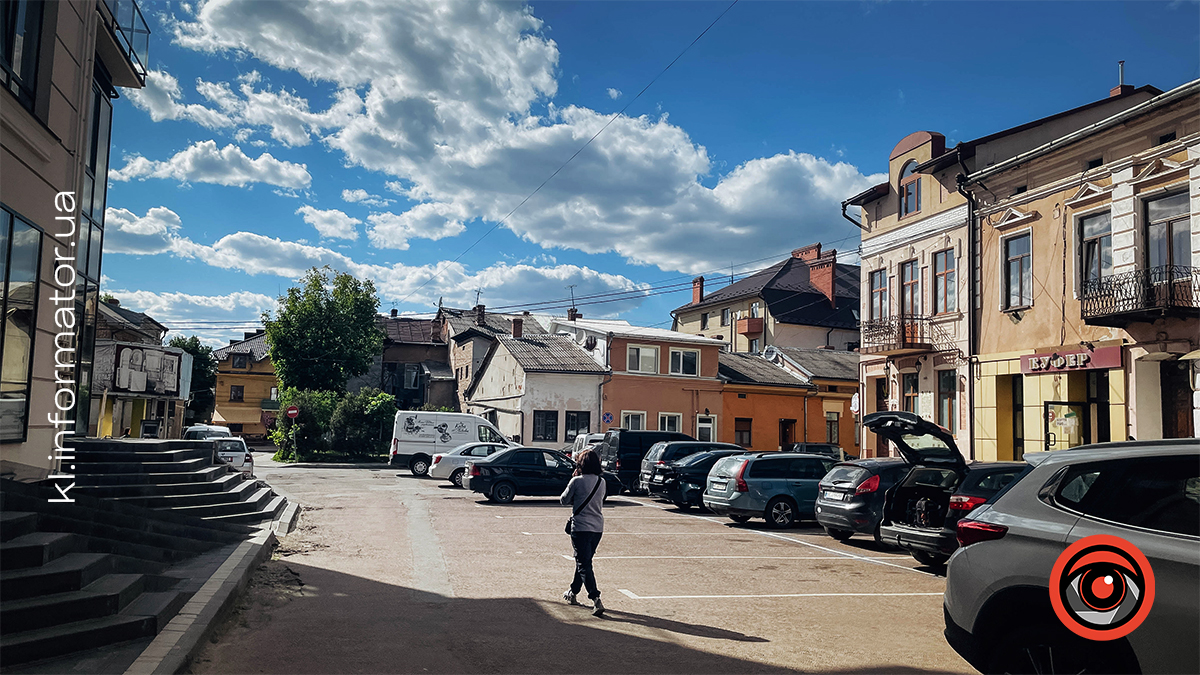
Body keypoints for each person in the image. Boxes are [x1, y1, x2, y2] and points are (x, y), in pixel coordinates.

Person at [560, 449, 606, 616]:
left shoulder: (577, 481)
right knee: (584, 562)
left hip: (580, 527)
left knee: (584, 563)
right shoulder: (602, 482)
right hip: (597, 528)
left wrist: (573, 480)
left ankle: (595, 598)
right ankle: (572, 592)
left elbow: (563, 500)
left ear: (580, 465)